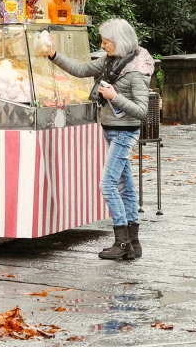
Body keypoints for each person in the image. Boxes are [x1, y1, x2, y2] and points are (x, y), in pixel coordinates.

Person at [43, 18, 154, 261]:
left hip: (125, 132)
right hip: (111, 129)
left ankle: (122, 241)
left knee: (107, 185)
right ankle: (133, 242)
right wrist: (54, 54)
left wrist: (114, 97)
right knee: (125, 186)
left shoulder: (136, 71)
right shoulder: (110, 62)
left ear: (121, 42)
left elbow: (142, 111)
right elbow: (82, 70)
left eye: (107, 42)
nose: (103, 46)